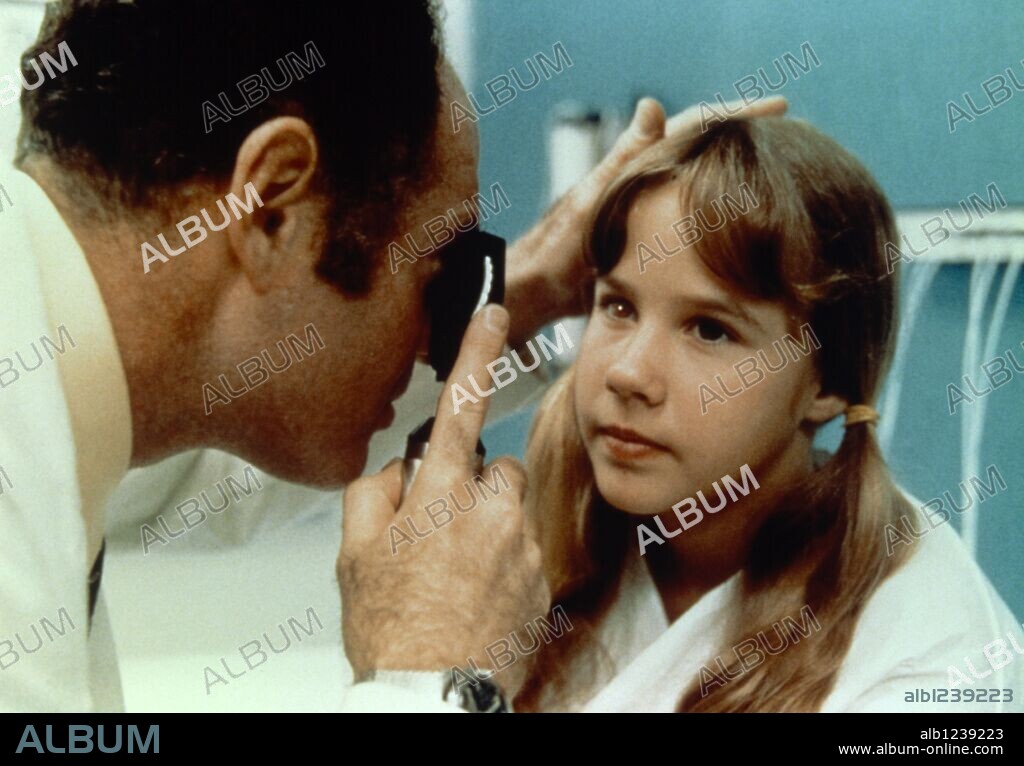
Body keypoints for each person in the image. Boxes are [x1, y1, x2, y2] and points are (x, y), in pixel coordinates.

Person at [0, 0, 785, 711]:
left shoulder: (62, 388)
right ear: (271, 208)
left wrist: (537, 285)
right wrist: (433, 674)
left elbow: (225, 421)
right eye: (438, 267)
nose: (438, 333)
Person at [514, 116, 1024, 712]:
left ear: (828, 382)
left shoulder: (939, 666)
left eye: (709, 330)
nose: (628, 374)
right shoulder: (535, 555)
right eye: (619, 306)